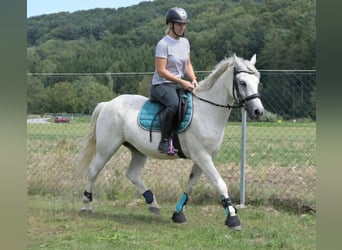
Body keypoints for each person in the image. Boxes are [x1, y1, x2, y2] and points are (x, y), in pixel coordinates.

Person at [150, 7, 198, 154]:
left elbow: (187, 64)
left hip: (177, 84)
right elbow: (161, 71)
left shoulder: (185, 42)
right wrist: (182, 82)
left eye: (184, 24)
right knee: (173, 104)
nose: (182, 27)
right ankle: (164, 141)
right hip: (161, 84)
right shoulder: (163, 44)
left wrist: (193, 78)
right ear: (170, 25)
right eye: (179, 24)